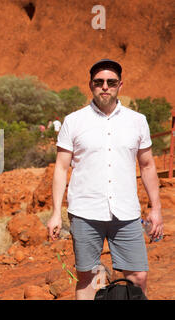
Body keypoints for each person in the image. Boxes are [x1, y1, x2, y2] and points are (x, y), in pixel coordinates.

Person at [46, 59, 163, 300]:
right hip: (85, 211)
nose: (105, 87)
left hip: (127, 212)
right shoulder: (74, 121)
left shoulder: (137, 121)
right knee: (88, 278)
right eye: (99, 82)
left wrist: (156, 209)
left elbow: (148, 164)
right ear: (91, 85)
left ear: (120, 84)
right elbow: (60, 168)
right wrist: (56, 212)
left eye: (111, 82)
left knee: (138, 277)